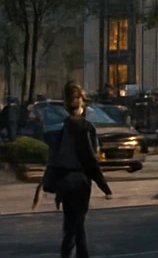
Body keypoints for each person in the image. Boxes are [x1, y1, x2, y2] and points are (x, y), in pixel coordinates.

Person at [38, 81, 113, 257]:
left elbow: (54, 158)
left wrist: (48, 183)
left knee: (73, 224)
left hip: (65, 183)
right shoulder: (85, 128)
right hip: (79, 183)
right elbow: (90, 160)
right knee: (76, 225)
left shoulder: (62, 128)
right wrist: (105, 187)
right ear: (81, 102)